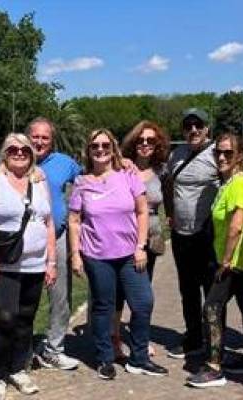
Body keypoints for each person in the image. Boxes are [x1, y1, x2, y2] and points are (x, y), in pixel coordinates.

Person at [68, 128, 168, 380]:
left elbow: (142, 211)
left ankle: (139, 357)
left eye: (105, 145)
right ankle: (104, 358)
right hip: (97, 255)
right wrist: (76, 255)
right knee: (104, 306)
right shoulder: (82, 182)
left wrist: (140, 246)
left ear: (113, 148)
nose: (100, 150)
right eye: (95, 146)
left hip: (129, 254)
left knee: (143, 302)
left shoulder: (128, 175)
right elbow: (75, 221)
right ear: (89, 151)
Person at [0, 117, 82, 371]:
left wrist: (123, 163)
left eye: (45, 137)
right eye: (35, 137)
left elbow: (92, 175)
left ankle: (54, 348)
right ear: (28, 138)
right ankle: (14, 357)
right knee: (13, 309)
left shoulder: (65, 163)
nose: (39, 142)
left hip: (55, 238)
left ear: (52, 140)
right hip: (15, 245)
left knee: (59, 296)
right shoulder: (9, 160)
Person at [0, 133, 57, 399]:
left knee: (25, 320)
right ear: (4, 153)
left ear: (31, 154)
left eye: (24, 149)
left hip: (36, 265)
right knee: (6, 318)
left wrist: (51, 261)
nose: (19, 153)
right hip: (6, 264)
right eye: (13, 149)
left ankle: (17, 369)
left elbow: (49, 222)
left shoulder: (39, 180)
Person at [187, 133, 243, 388]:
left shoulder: (239, 183)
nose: (221, 157)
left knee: (211, 307)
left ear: (240, 156)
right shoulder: (227, 183)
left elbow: (236, 226)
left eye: (228, 153)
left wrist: (225, 262)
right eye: (218, 152)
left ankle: (215, 366)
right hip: (237, 260)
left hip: (233, 262)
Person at [164, 108, 220, 359]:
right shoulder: (176, 154)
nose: (193, 130)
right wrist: (170, 213)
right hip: (181, 234)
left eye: (199, 125)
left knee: (211, 291)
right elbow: (167, 184)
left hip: (207, 235)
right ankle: (193, 337)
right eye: (188, 126)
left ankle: (214, 343)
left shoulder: (218, 154)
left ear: (207, 128)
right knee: (187, 289)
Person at [118, 120, 170, 358]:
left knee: (143, 292)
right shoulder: (121, 167)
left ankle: (141, 336)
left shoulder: (162, 170)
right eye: (141, 140)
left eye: (150, 140)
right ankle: (114, 337)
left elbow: (169, 198)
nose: (145, 144)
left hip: (150, 235)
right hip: (123, 232)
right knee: (118, 290)